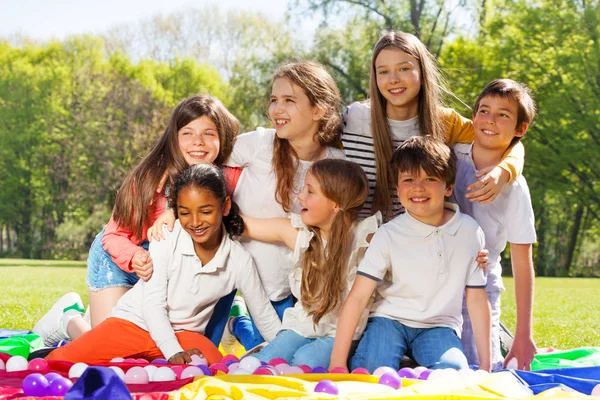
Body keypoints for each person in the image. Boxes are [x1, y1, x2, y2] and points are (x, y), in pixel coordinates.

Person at [149, 61, 346, 352]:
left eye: (289, 101)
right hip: (225, 274)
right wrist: (172, 208)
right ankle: (236, 320)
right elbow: (201, 162)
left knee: (277, 351)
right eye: (274, 100)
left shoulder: (337, 164)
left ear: (319, 110)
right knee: (202, 355)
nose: (276, 109)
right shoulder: (259, 145)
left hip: (283, 287)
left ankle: (239, 325)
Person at [33, 95, 240, 347]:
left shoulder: (229, 175)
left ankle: (99, 314)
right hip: (119, 261)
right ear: (173, 138)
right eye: (187, 133)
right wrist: (134, 257)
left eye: (209, 133)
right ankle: (66, 320)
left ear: (222, 137)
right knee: (112, 349)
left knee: (158, 347)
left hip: (168, 271)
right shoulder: (149, 179)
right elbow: (113, 235)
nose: (198, 142)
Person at [43, 164, 281, 364]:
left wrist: (289, 350)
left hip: (185, 335)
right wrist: (173, 352)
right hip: (134, 324)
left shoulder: (239, 261)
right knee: (58, 363)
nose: (196, 222)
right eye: (185, 212)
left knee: (215, 368)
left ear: (225, 206)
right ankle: (67, 324)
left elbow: (264, 316)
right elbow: (153, 305)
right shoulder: (166, 236)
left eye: (206, 211)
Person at [329, 136, 492, 373]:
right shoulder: (388, 234)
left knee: (453, 374)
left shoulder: (470, 231)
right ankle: (400, 360)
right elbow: (357, 297)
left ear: (448, 187)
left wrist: (486, 365)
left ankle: (411, 362)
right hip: (389, 320)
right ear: (398, 188)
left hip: (438, 326)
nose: (418, 187)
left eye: (430, 179)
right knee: (372, 371)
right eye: (408, 179)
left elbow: (477, 298)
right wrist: (337, 362)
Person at [341, 30, 525, 222]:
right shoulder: (354, 118)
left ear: (422, 72)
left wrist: (503, 172)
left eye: (404, 69)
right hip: (355, 244)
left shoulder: (444, 121)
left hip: (417, 244)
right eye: (383, 71)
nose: (393, 79)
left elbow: (508, 140)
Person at [236, 159, 380, 368]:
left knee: (305, 362)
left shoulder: (365, 239)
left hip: (341, 334)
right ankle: (246, 332)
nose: (300, 196)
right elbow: (245, 225)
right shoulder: (302, 235)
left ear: (336, 204)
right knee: (261, 365)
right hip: (302, 327)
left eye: (310, 191)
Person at [452, 79, 537, 371]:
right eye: (484, 110)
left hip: (480, 285)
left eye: (504, 114)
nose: (490, 120)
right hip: (435, 282)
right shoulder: (451, 156)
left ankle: (503, 337)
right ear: (473, 116)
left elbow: (523, 263)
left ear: (519, 129)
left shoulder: (515, 189)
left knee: (481, 371)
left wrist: (525, 335)